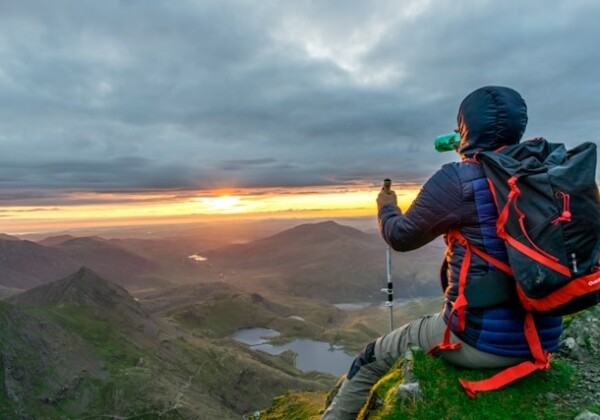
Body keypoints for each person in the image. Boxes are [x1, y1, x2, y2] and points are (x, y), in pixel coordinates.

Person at [322, 86, 563, 419]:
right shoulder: (547, 174)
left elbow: (401, 236)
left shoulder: (458, 179)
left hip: (481, 341)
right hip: (546, 334)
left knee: (370, 357)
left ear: (465, 127)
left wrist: (386, 207)